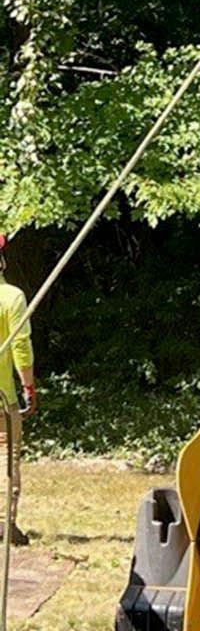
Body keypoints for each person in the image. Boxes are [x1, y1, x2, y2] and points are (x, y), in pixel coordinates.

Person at [0, 234, 36, 546]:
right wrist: (28, 387)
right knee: (6, 460)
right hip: (2, 398)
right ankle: (4, 525)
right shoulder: (11, 297)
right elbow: (20, 346)